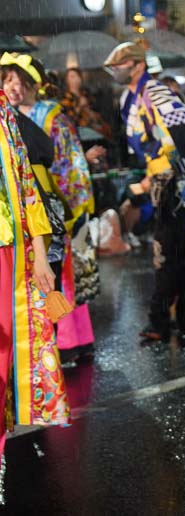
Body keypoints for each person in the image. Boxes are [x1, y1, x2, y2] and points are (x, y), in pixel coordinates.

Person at [103, 42, 185, 341]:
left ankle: (160, 319)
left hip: (175, 183)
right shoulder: (135, 95)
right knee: (177, 252)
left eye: (119, 65)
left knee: (166, 253)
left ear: (137, 65)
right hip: (165, 180)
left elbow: (183, 134)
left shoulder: (155, 92)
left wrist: (163, 175)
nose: (115, 71)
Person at [1, 54, 97, 364]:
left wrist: (73, 208)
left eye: (19, 80)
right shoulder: (10, 116)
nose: (13, 86)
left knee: (59, 274)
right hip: (29, 203)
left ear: (34, 84)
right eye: (8, 80)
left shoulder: (53, 117)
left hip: (51, 202)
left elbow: (71, 166)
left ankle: (69, 340)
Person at [0, 86, 68, 499]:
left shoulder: (5, 114)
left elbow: (27, 186)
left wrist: (40, 255)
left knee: (3, 357)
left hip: (9, 252)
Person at [60, 67, 112, 142]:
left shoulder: (85, 93)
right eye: (71, 76)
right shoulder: (66, 97)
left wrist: (92, 114)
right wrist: (80, 106)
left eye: (77, 76)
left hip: (94, 127)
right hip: (79, 130)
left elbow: (97, 112)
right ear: (66, 80)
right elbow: (69, 119)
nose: (75, 79)